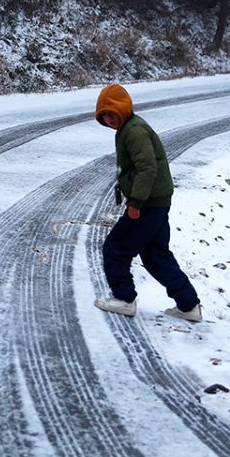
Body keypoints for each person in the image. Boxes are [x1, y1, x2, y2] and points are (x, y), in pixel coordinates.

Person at [93, 83, 202, 322]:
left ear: (123, 108)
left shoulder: (134, 131)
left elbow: (147, 167)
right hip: (158, 201)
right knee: (155, 255)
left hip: (149, 203)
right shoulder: (128, 128)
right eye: (105, 115)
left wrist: (136, 202)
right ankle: (188, 305)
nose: (110, 119)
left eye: (112, 113)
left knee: (115, 248)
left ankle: (124, 299)